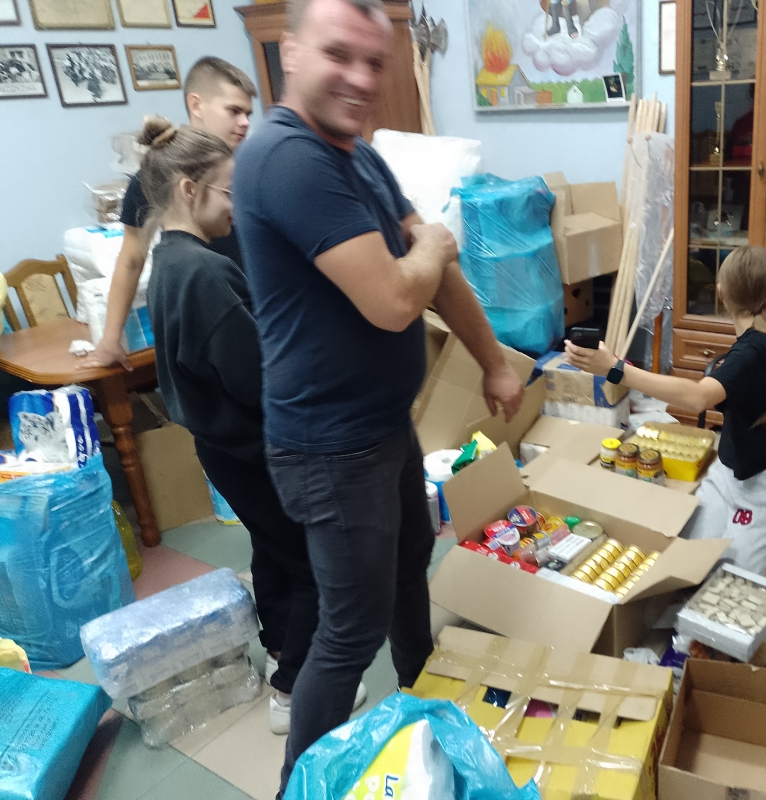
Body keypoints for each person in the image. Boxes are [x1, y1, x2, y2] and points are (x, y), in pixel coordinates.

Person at [231, 0, 525, 791]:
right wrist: (428, 245)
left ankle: (424, 710)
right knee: (349, 631)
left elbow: (436, 274)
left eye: (375, 61)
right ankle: (298, 783)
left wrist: (493, 362)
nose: (361, 78)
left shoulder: (358, 155)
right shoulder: (286, 157)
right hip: (330, 448)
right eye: (339, 55)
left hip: (381, 427)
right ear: (290, 52)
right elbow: (396, 298)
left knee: (405, 575)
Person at [131, 114, 362, 737]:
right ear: (189, 190)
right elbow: (258, 379)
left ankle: (282, 647)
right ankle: (294, 691)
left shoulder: (169, 261)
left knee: (273, 548)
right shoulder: (204, 273)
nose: (237, 207)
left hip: (223, 447)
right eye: (230, 192)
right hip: (257, 447)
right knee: (314, 560)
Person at [566, 246, 766, 579]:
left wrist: (615, 369)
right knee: (690, 564)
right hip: (729, 472)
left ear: (720, 293)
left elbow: (696, 399)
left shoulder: (751, 353)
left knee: (736, 589)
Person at [80, 56, 256, 372]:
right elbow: (131, 259)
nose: (245, 122)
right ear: (196, 105)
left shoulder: (256, 165)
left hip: (260, 318)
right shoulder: (155, 177)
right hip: (209, 321)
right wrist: (110, 338)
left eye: (248, 114)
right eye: (234, 111)